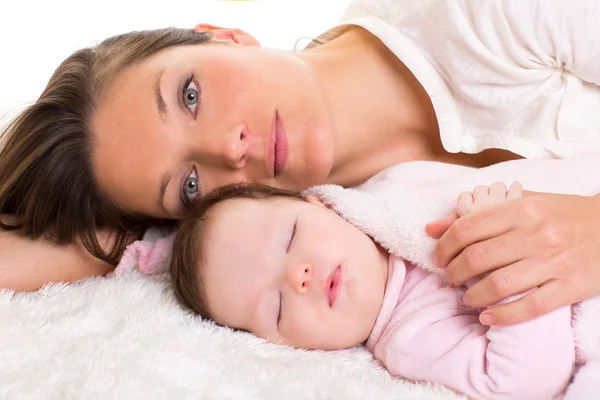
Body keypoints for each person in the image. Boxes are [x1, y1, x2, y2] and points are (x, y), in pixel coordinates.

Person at [2, 0, 600, 326]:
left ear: (224, 35)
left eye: (189, 95)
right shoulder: (345, 226)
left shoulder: (480, 14)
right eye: (188, 184)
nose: (227, 149)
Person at [168, 180, 575, 400]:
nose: (299, 276)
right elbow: (520, 383)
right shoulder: (411, 338)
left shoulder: (401, 189)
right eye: (275, 307)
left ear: (320, 203)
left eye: (291, 237)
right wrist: (509, 259)